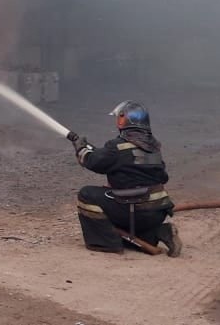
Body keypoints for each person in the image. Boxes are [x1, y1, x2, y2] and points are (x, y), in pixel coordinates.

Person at [70, 101, 182, 256]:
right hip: (157, 211)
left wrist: (81, 149)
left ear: (123, 120)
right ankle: (159, 232)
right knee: (121, 200)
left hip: (134, 210)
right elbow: (161, 176)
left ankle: (108, 243)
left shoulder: (117, 146)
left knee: (87, 194)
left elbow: (94, 162)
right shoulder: (153, 147)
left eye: (119, 117)